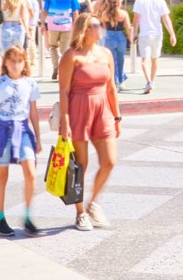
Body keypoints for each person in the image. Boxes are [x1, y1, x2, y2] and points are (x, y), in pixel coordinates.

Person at [58, 13, 121, 231]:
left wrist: (117, 116)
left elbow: (112, 88)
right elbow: (64, 92)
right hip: (79, 109)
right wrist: (65, 121)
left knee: (110, 161)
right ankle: (80, 213)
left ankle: (92, 203)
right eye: (96, 25)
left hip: (102, 109)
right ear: (85, 29)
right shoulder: (71, 56)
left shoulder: (106, 54)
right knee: (80, 166)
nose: (100, 28)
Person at [0, 45, 42, 237]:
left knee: (31, 173)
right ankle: (0, 219)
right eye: (12, 61)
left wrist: (38, 138)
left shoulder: (30, 83)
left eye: (19, 61)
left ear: (25, 63)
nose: (16, 64)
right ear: (5, 63)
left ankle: (28, 216)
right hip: (2, 130)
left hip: (22, 129)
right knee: (2, 175)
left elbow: (33, 112)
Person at [132, 0, 176, 94]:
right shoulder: (160, 1)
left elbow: (136, 19)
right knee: (154, 59)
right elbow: (166, 19)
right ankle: (151, 81)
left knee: (144, 59)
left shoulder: (139, 0)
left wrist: (135, 33)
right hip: (157, 33)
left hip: (145, 34)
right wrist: (172, 34)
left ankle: (149, 81)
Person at [41, 0, 81, 81]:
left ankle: (55, 67)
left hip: (52, 24)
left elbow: (45, 10)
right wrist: (76, 26)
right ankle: (64, 70)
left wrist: (42, 24)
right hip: (66, 25)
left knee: (52, 46)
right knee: (65, 50)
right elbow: (75, 12)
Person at [100, 0, 132, 91]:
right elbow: (128, 28)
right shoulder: (123, 13)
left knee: (111, 61)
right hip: (120, 36)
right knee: (120, 59)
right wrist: (131, 39)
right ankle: (121, 81)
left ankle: (114, 82)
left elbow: (104, 28)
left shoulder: (104, 14)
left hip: (109, 36)